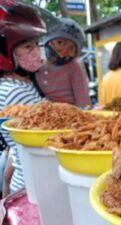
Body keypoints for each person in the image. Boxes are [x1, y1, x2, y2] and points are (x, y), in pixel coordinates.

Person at [0, 3, 48, 196]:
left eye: (36, 44)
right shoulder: (16, 92)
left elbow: (15, 147)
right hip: (37, 184)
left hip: (22, 180)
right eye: (28, 46)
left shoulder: (15, 84)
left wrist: (6, 185)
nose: (36, 51)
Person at [36, 18, 91, 108]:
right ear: (48, 40)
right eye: (60, 42)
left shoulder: (74, 66)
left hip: (70, 117)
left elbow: (83, 101)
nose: (64, 51)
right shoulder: (35, 66)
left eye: (72, 49)